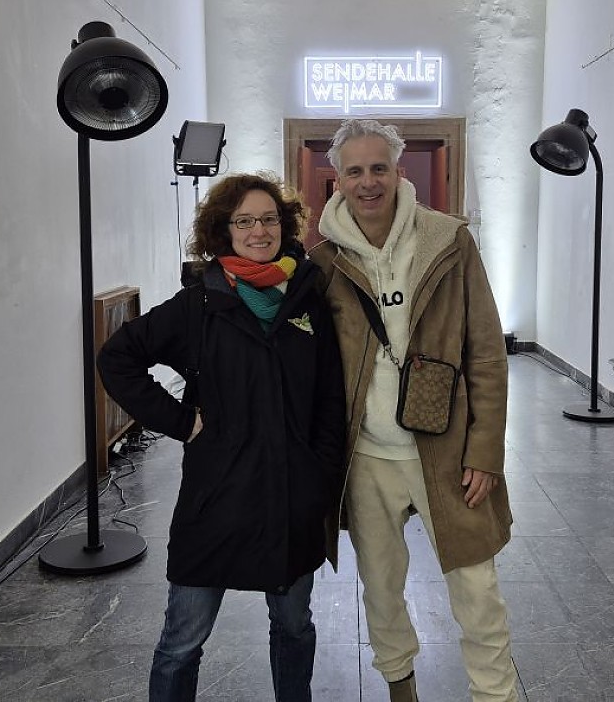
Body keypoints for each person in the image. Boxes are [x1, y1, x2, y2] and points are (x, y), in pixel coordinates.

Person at [97, 172, 346, 702]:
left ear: (285, 225)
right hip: (217, 497)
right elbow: (117, 358)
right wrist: (181, 422)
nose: (259, 230)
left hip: (289, 497)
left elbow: (330, 400)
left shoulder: (306, 299)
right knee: (182, 642)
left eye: (269, 219)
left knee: (294, 627)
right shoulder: (200, 305)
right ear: (223, 229)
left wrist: (319, 473)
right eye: (245, 220)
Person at [309, 119, 518, 702]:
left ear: (399, 171)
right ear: (339, 180)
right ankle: (400, 686)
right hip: (367, 456)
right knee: (379, 584)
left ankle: (495, 694)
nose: (368, 182)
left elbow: (486, 353)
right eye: (355, 170)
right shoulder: (323, 262)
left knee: (476, 585)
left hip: (446, 450)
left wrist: (485, 451)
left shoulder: (448, 243)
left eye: (379, 168)